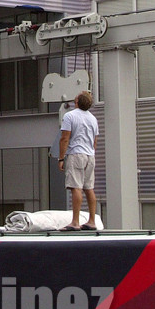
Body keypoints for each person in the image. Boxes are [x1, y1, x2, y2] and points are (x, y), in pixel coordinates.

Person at [58, 91, 99, 230]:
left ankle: (75, 222)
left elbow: (65, 138)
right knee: (89, 188)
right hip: (90, 155)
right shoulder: (93, 119)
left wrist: (61, 158)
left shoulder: (70, 116)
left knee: (76, 188)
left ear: (77, 102)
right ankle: (92, 221)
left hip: (76, 154)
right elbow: (95, 141)